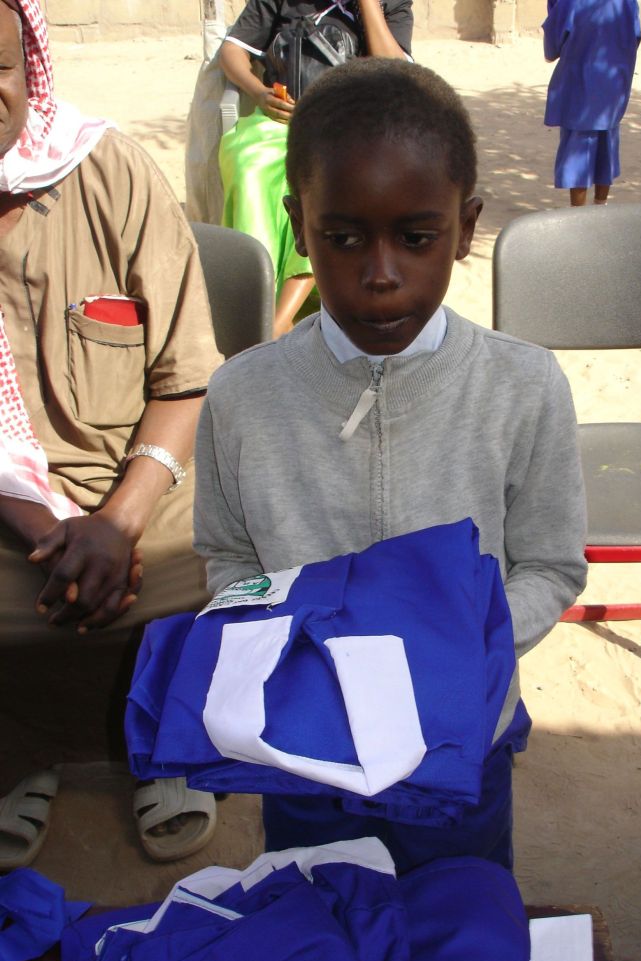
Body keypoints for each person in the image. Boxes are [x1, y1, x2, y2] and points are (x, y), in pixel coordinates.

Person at [193, 58, 588, 872]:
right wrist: (292, 648)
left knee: (456, 910)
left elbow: (550, 564)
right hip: (307, 744)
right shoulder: (240, 397)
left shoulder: (523, 386)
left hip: (459, 730)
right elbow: (228, 556)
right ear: (299, 225)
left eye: (416, 238)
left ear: (466, 228)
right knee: (319, 913)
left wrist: (457, 646)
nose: (380, 275)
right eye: (342, 238)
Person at [0, 0, 223, 867]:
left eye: (0, 69)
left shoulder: (111, 172)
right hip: (10, 513)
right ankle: (21, 752)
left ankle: (166, 745)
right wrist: (50, 533)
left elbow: (187, 377)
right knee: (39, 589)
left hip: (144, 485)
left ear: (29, 68)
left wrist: (117, 523)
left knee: (231, 550)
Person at [217, 0, 413, 337]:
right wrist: (259, 93)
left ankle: (279, 320)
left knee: (324, 183)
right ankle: (257, 295)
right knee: (249, 166)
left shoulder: (392, 4)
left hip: (350, 127)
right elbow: (232, 50)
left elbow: (397, 73)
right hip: (279, 122)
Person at [542, 0, 641, 207]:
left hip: (579, 89)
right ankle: (600, 206)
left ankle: (578, 213)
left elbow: (551, 50)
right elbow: (635, 37)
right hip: (613, 86)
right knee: (607, 145)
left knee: (579, 151)